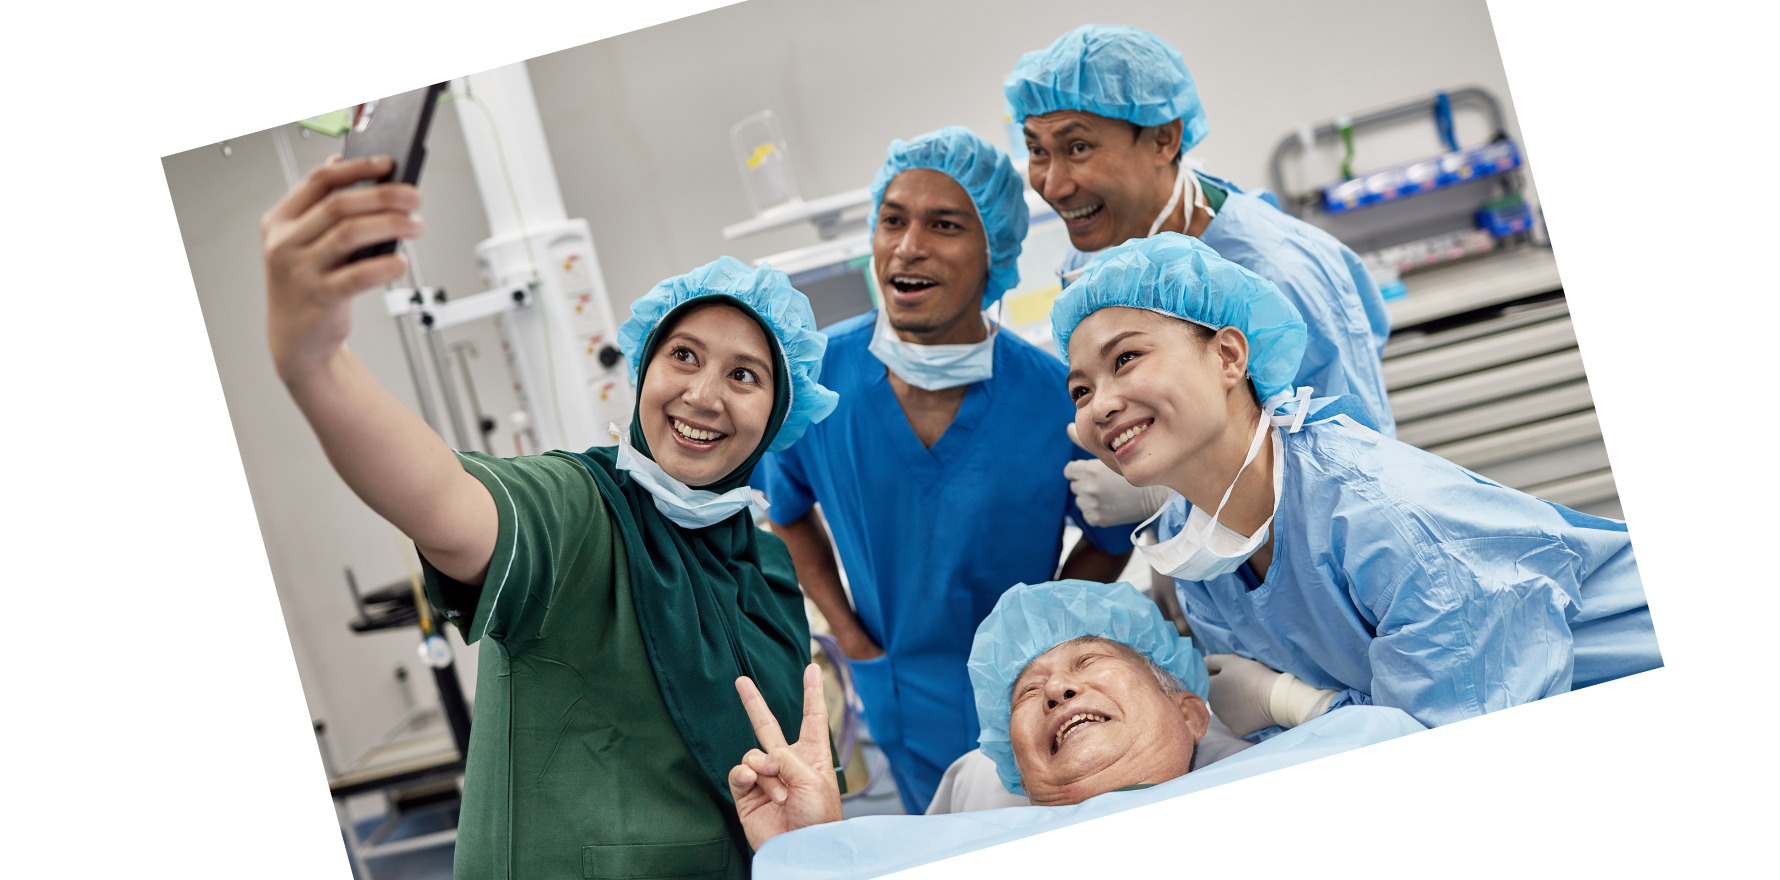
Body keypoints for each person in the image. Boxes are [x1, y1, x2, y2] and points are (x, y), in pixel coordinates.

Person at [260, 154, 839, 878]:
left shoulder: (766, 564)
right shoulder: (578, 511)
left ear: (779, 414)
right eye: (683, 356)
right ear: (644, 369)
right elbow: (441, 498)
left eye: (744, 376)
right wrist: (315, 362)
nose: (703, 395)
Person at [1054, 233, 1662, 737]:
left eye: (1126, 359)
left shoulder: (1385, 521)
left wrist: (1294, 704)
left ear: (1229, 356)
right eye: (1080, 390)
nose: (1100, 404)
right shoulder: (1203, 556)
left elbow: (1464, 746)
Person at [755, 126, 1134, 814]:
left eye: (944, 225)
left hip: (1030, 693)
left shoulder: (1054, 397)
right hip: (895, 686)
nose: (908, 246)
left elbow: (1112, 541)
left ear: (995, 254)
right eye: (892, 221)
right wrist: (848, 632)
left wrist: (1035, 634)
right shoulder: (819, 380)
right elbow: (786, 514)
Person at [726, 579, 1426, 878]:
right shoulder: (959, 850)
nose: (1056, 688)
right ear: (1022, 775)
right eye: (1027, 694)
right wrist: (817, 848)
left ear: (1189, 710)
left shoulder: (1329, 762)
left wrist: (1296, 705)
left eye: (1088, 663)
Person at [1005, 23, 1397, 531]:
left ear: (1163, 139)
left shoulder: (1277, 272)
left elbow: (1360, 478)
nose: (1052, 184)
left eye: (1078, 148)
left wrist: (1169, 501)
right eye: (1037, 151)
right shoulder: (1111, 250)